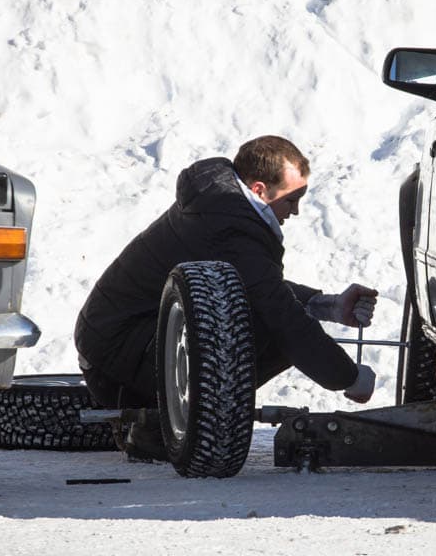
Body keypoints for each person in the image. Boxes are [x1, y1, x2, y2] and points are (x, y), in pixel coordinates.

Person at [74, 135, 377, 459]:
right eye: (292, 199)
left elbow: (259, 284)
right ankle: (158, 424)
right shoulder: (232, 226)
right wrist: (348, 377)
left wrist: (327, 305)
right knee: (273, 330)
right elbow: (279, 313)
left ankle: (164, 418)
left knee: (265, 317)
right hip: (119, 367)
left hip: (116, 350)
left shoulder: (221, 206)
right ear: (260, 190)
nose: (297, 211)